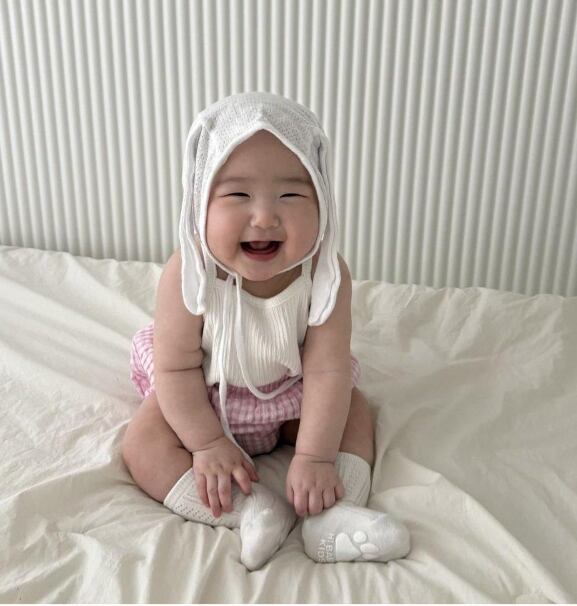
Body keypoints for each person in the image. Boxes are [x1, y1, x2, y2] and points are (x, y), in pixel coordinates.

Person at [122, 92, 410, 570]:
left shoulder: (324, 274)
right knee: (143, 442)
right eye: (237, 195)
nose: (264, 217)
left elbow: (327, 370)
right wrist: (207, 444)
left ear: (322, 200)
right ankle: (251, 511)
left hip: (290, 395)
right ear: (200, 199)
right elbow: (175, 369)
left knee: (354, 411)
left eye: (291, 195)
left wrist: (315, 458)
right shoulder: (189, 274)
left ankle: (331, 514)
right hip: (205, 397)